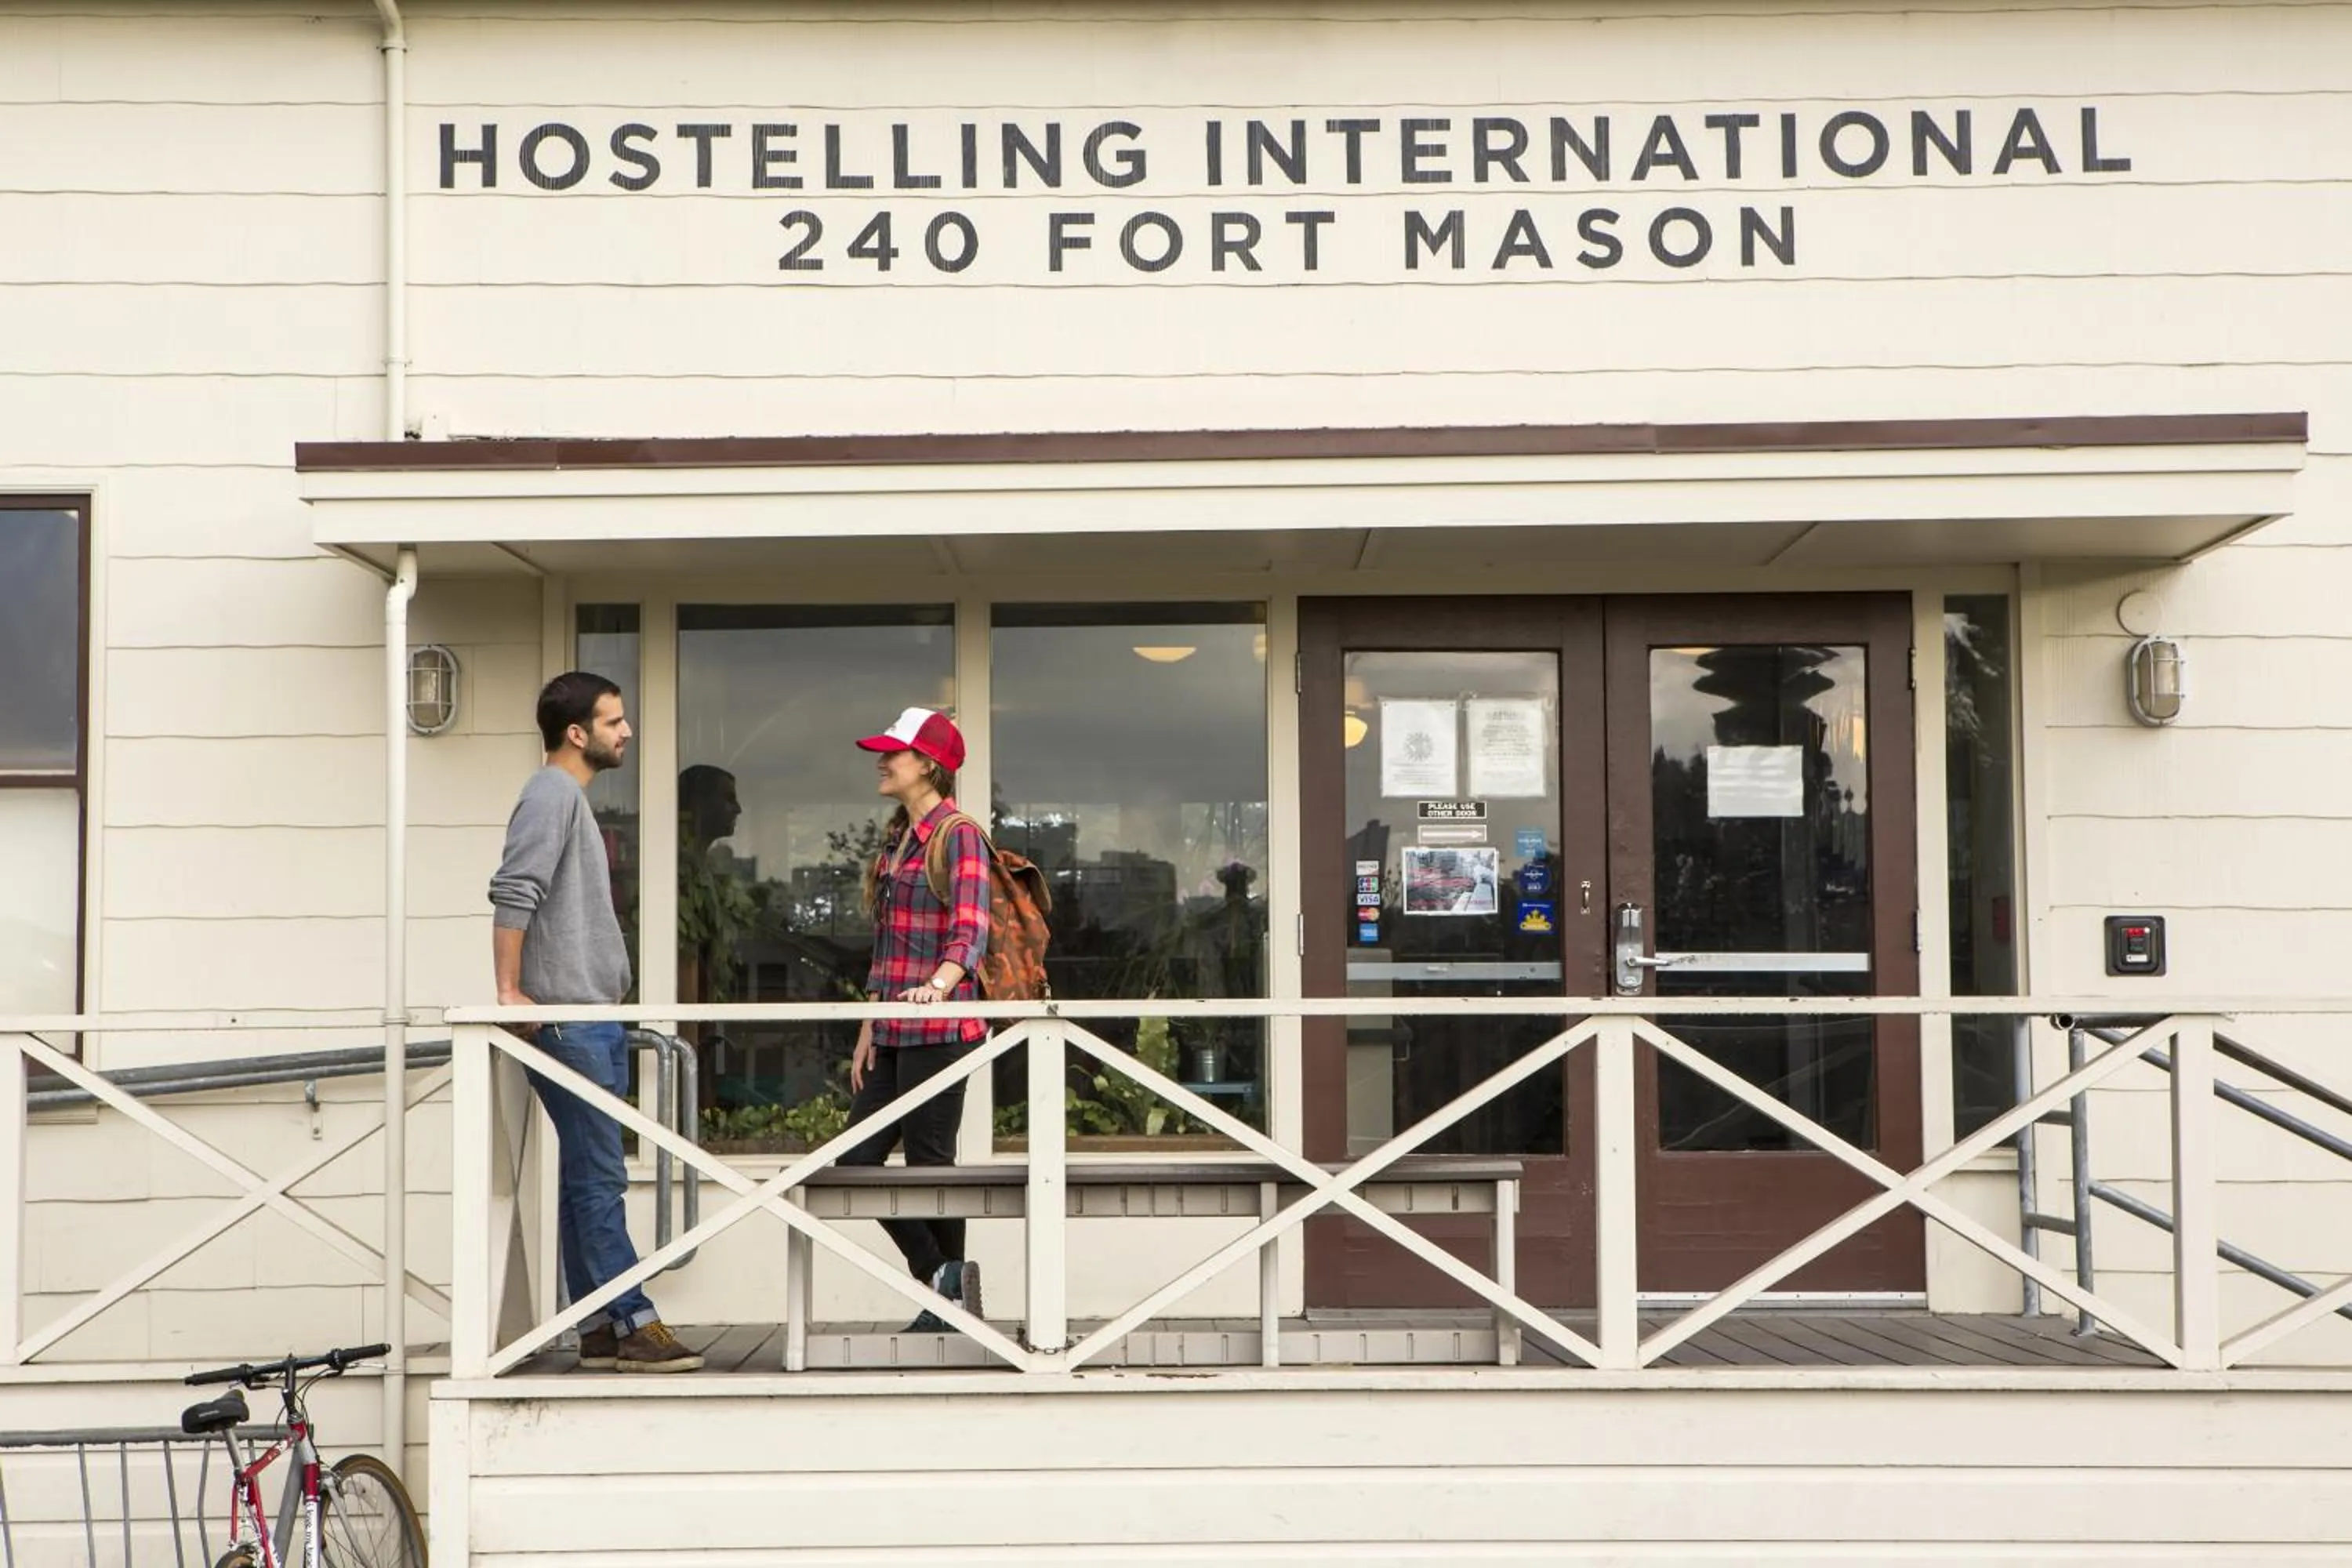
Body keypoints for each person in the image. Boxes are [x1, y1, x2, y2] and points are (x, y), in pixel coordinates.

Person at [488, 672, 702, 1374]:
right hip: (568, 1022)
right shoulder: (550, 793)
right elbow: (515, 888)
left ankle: (597, 1325)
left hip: (590, 1018)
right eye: (615, 722)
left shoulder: (565, 798)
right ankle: (634, 1319)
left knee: (588, 1174)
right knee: (601, 1176)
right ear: (577, 733)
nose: (628, 732)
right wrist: (510, 990)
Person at [840, 706, 991, 1333]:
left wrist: (938, 986)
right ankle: (943, 1278)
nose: (882, 760)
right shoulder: (898, 836)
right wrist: (869, 1025)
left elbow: (971, 925)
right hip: (896, 1028)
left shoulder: (958, 834)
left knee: (931, 1164)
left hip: (942, 1027)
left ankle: (943, 1308)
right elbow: (887, 944)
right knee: (853, 1162)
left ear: (928, 765)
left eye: (894, 753)